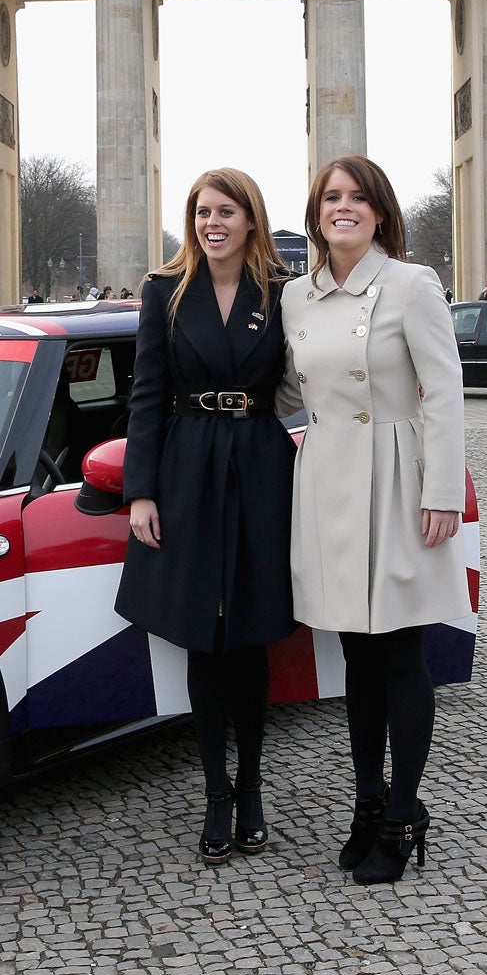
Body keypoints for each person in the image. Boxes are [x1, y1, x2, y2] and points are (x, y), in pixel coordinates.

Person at [283, 154, 467, 886]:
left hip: (396, 477)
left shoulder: (411, 285)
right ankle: (367, 802)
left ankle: (403, 811)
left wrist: (442, 490)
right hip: (328, 478)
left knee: (399, 654)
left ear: (381, 212)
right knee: (354, 658)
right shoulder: (297, 296)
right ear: (317, 212)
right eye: (332, 197)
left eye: (358, 197)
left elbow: (443, 393)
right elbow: (288, 393)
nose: (344, 207)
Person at [118, 169, 296, 866]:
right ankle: (216, 793)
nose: (212, 224)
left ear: (251, 219)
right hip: (186, 465)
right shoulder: (164, 291)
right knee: (202, 638)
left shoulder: (284, 296)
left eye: (226, 212)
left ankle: (251, 787)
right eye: (201, 213)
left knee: (250, 639)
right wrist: (141, 491)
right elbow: (146, 395)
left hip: (257, 462)